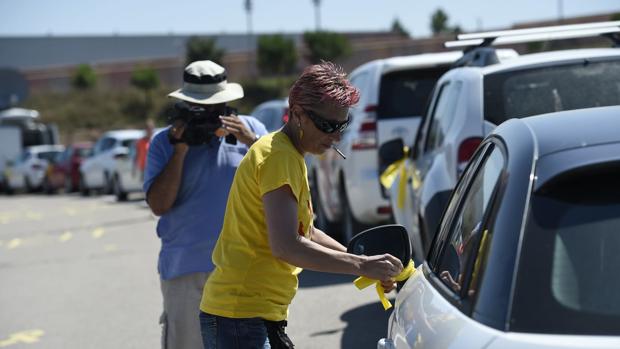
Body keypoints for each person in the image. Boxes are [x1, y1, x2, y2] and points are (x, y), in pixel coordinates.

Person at [199, 61, 404, 349]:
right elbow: (286, 246)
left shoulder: (289, 154)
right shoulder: (277, 157)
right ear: (297, 114)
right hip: (240, 316)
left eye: (342, 125)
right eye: (327, 125)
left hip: (250, 315)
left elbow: (306, 232)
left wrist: (364, 263)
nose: (336, 136)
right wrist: (361, 264)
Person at [143, 60, 268, 349]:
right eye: (201, 110)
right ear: (184, 107)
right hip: (188, 271)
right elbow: (159, 205)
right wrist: (181, 150)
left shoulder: (252, 132)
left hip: (244, 269)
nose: (210, 117)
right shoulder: (165, 142)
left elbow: (280, 183)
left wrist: (251, 141)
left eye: (217, 108)